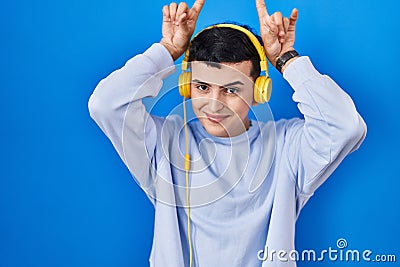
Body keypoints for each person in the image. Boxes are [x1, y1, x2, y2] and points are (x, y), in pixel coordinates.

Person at [88, 0, 367, 266]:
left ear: (260, 91)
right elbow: (105, 103)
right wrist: (166, 50)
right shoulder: (163, 145)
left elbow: (345, 126)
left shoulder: (287, 148)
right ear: (185, 86)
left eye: (231, 90)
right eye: (202, 87)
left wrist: (287, 60)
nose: (214, 104)